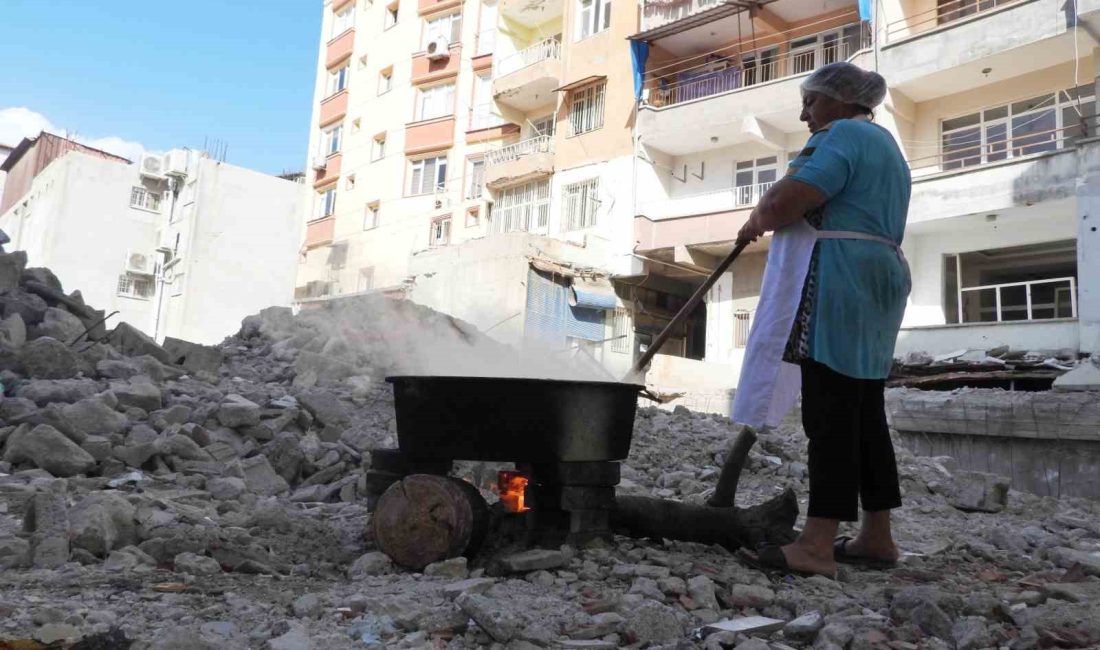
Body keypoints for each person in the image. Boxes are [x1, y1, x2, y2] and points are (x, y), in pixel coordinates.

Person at [729, 62, 911, 578]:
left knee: (830, 412)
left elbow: (789, 199)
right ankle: (877, 536)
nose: (805, 112)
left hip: (840, 276)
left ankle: (816, 544)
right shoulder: (886, 146)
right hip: (879, 276)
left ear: (842, 100)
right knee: (863, 412)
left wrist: (757, 218)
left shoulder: (842, 134)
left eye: (811, 100)